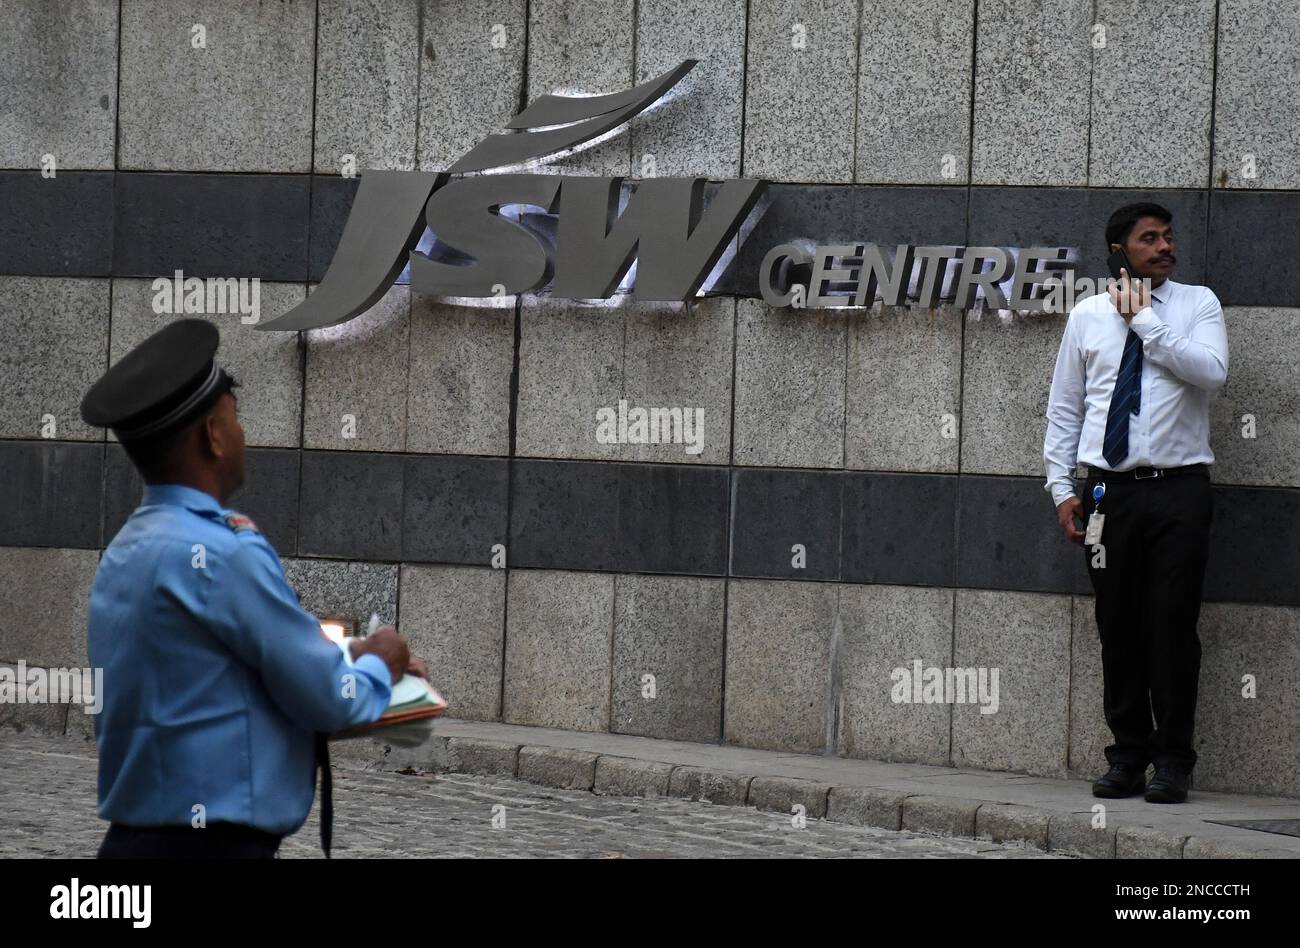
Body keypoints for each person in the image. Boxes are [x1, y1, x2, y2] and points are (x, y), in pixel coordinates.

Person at [80, 318, 423, 857]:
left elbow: (218, 673)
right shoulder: (222, 553)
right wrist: (383, 658)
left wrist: (346, 651)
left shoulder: (129, 548)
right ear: (213, 436)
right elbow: (332, 700)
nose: (242, 435)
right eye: (235, 420)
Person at [1043, 203, 1228, 804]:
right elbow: (1067, 407)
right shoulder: (1087, 316)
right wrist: (1060, 488)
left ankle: (1173, 760)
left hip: (1179, 489)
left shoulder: (1197, 305)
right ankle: (1127, 754)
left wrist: (1147, 322)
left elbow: (1212, 372)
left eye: (1168, 237)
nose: (1164, 246)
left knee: (1172, 626)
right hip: (1105, 493)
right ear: (1119, 250)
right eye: (1149, 238)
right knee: (1116, 625)